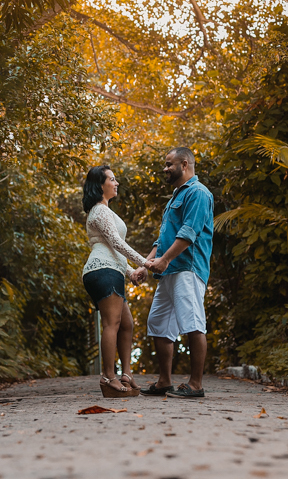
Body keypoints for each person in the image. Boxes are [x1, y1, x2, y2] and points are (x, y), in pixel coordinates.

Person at [131, 147, 214, 399]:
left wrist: (165, 261)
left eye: (169, 164)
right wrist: (144, 264)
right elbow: (162, 240)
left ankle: (196, 384)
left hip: (187, 268)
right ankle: (164, 381)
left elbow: (188, 233)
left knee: (192, 322)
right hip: (169, 270)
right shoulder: (175, 197)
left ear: (185, 164)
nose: (165, 169)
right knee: (157, 323)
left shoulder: (198, 193)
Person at [82, 164, 148, 398]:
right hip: (102, 270)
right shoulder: (99, 210)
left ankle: (126, 374)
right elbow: (116, 244)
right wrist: (146, 262)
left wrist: (131, 272)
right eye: (112, 179)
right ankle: (108, 376)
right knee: (113, 324)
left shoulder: (106, 211)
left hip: (112, 268)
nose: (116, 182)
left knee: (127, 324)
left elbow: (113, 250)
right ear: (100, 185)